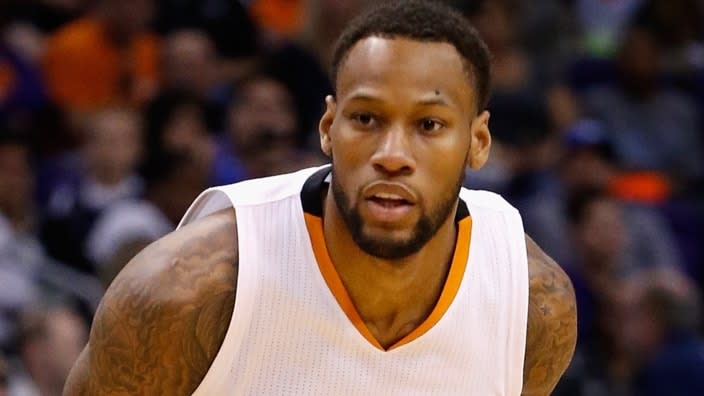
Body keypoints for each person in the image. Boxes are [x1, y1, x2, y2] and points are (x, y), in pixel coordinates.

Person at [64, 1, 577, 395]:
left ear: (479, 141)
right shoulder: (187, 291)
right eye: (366, 119)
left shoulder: (532, 304)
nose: (392, 154)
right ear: (329, 127)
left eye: (428, 124)